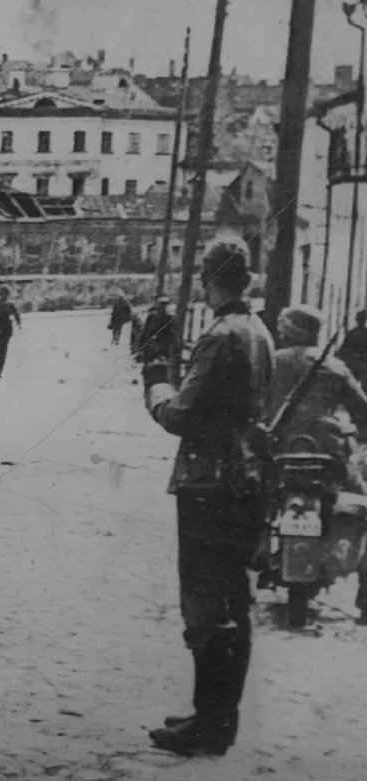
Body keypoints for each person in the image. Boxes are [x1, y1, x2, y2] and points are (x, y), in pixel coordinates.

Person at [142, 235, 274, 756]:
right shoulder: (258, 329)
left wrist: (156, 386)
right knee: (233, 600)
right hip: (244, 478)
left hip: (208, 483)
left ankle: (209, 726)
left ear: (207, 279)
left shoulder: (220, 335)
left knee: (205, 602)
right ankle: (217, 716)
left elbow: (183, 416)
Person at [264, 304, 367, 620]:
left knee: (250, 499)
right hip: (327, 454)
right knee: (362, 504)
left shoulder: (271, 363)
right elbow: (362, 410)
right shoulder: (335, 367)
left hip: (279, 450)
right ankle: (364, 599)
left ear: (287, 331)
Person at [0, 287, 21, 378]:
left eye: (5, 294)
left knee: (1, 350)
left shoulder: (10, 305)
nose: (4, 296)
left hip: (5, 330)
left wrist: (19, 323)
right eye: (3, 294)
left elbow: (17, 314)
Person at [139, 297, 176, 363]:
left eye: (164, 305)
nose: (162, 307)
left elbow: (172, 332)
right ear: (158, 305)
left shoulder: (169, 318)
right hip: (152, 344)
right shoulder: (152, 316)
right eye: (161, 305)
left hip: (163, 345)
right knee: (148, 364)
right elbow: (146, 330)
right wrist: (141, 343)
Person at [338, 309, 367, 387]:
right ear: (356, 320)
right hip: (350, 364)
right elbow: (343, 347)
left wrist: (361, 355)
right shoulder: (350, 333)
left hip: (362, 366)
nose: (361, 321)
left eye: (363, 319)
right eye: (359, 319)